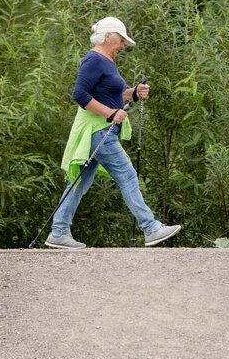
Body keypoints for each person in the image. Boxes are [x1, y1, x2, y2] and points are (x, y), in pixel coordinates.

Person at [45, 16, 181, 250]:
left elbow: (114, 95)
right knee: (127, 175)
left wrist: (135, 92)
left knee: (79, 182)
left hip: (99, 131)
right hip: (99, 131)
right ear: (108, 36)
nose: (122, 46)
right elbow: (79, 95)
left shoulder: (106, 61)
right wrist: (110, 113)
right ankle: (151, 228)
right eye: (121, 40)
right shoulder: (94, 60)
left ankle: (58, 232)